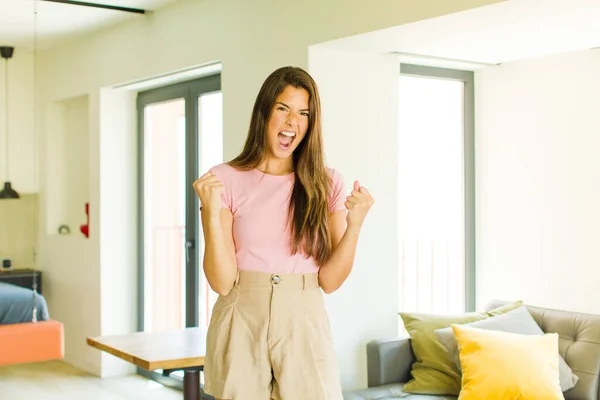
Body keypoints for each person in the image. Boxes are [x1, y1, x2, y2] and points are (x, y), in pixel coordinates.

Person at [192, 66, 374, 400]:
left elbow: (330, 281)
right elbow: (221, 281)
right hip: (240, 312)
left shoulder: (327, 182)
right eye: (283, 108)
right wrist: (209, 216)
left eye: (303, 113)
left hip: (304, 315)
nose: (293, 121)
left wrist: (356, 225)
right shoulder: (224, 179)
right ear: (264, 112)